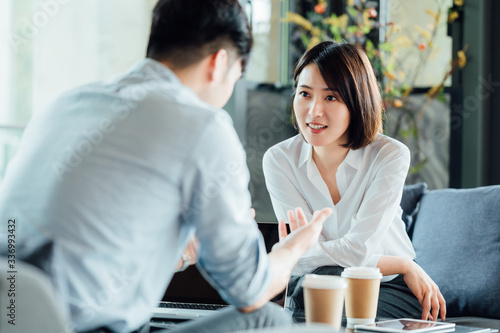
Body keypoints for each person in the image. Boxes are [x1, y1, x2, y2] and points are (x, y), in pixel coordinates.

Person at [0, 1, 332, 332]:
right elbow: (249, 290)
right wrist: (293, 249)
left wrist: (186, 251)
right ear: (219, 63)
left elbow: (79, 259)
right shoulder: (202, 125)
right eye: (236, 75)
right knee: (268, 318)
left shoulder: (65, 104)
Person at [262, 41, 446, 323]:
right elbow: (297, 255)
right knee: (304, 299)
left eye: (331, 97)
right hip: (318, 281)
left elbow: (355, 253)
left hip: (388, 285)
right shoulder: (279, 160)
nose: (313, 112)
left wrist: (307, 254)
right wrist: (403, 264)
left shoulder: (390, 155)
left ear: (357, 100)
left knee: (314, 307)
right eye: (305, 94)